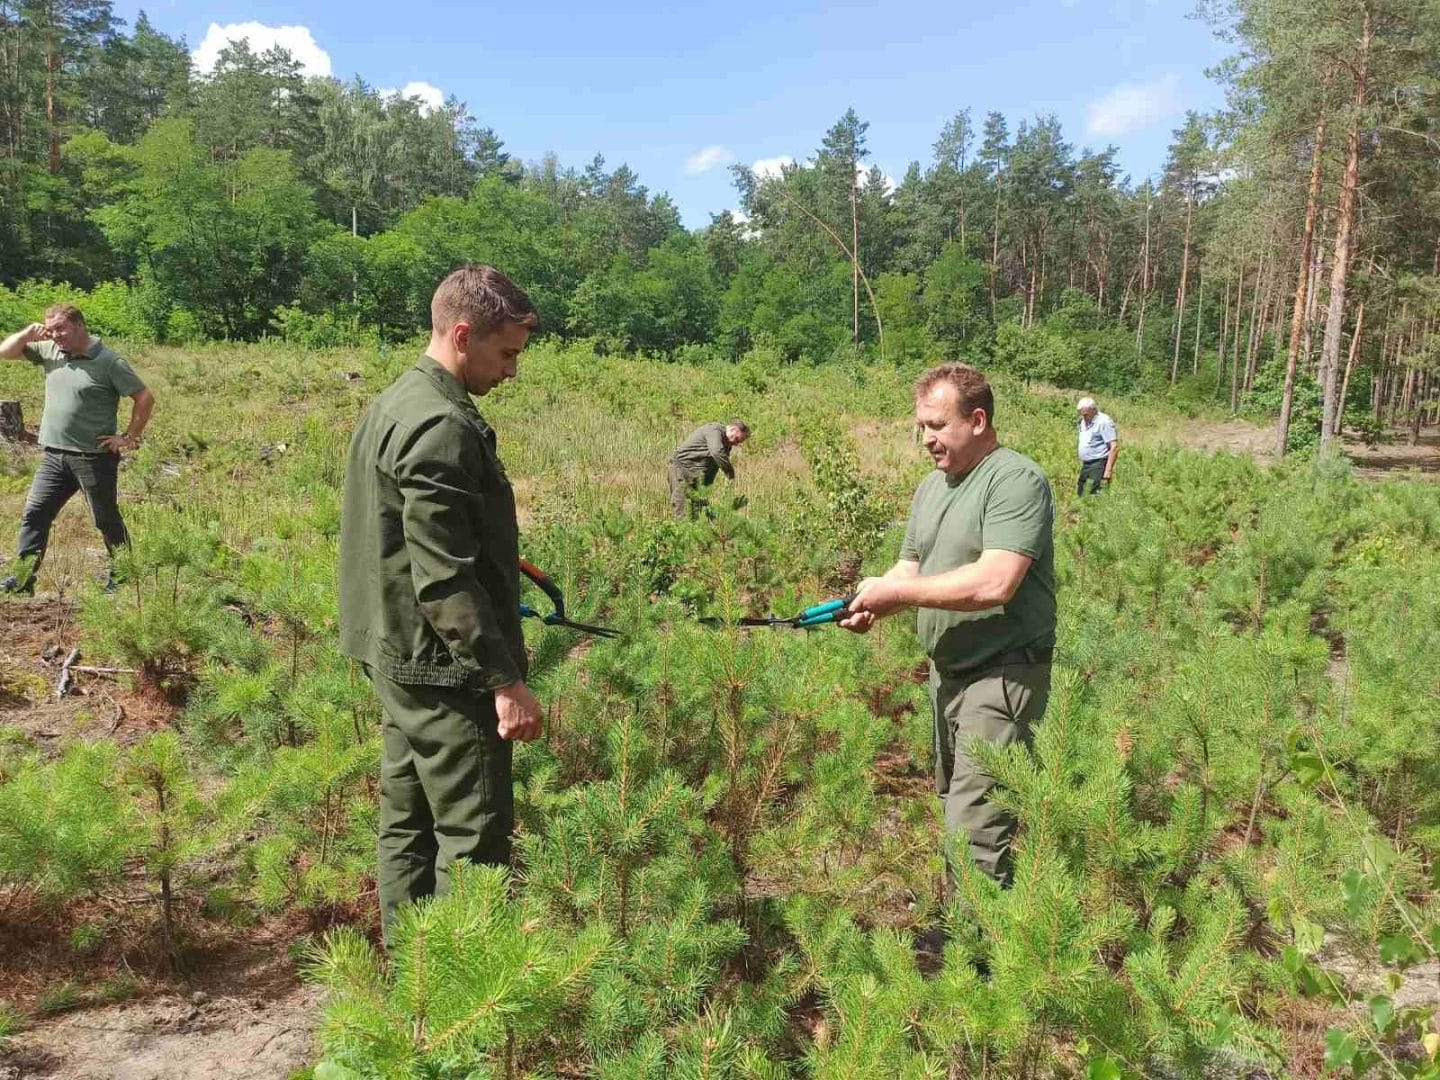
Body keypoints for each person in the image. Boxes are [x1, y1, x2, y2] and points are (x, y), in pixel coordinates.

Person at [338, 264, 543, 940]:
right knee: (474, 839)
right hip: (443, 669)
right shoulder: (441, 424)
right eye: (506, 352)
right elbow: (443, 580)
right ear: (462, 334)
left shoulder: (395, 401)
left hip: (396, 654)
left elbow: (417, 538)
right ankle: (466, 1004)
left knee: (408, 823)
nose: (512, 372)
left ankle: (411, 989)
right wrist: (504, 680)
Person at [840, 363, 1055, 891]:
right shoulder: (932, 488)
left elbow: (995, 582)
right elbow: (910, 568)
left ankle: (979, 960)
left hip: (1001, 676)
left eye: (937, 425)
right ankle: (966, 932)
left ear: (977, 419)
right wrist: (872, 601)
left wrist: (899, 594)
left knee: (976, 826)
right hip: (948, 675)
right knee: (954, 811)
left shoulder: (1014, 480)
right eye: (921, 426)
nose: (926, 439)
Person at [0, 304, 155, 595]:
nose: (56, 335)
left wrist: (128, 437)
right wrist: (28, 333)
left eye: (61, 328)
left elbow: (144, 397)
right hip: (54, 456)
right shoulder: (50, 351)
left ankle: (122, 579)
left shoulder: (108, 361)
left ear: (80, 325)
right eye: (51, 329)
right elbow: (4, 351)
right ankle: (22, 580)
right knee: (35, 513)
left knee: (105, 519)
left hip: (93, 458)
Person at [667, 420, 750, 518]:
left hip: (696, 478)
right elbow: (716, 452)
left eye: (739, 442)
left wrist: (704, 491)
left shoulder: (726, 446)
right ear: (732, 429)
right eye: (737, 439)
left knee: (696, 513)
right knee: (682, 510)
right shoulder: (714, 430)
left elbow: (712, 469)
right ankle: (680, 532)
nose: (736, 444)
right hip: (681, 470)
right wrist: (730, 473)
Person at [1075, 396, 1118, 496]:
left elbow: (1114, 447)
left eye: (1085, 414)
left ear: (1094, 410)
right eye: (1081, 414)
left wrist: (1108, 470)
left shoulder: (1104, 422)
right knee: (1081, 493)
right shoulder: (1083, 421)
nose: (1083, 417)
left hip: (1098, 464)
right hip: (1086, 464)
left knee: (1094, 495)